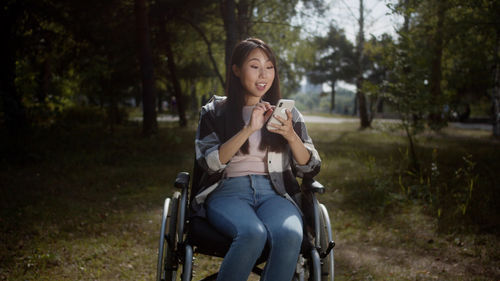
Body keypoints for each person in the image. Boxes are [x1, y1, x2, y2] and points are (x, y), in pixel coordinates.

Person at [193, 38, 321, 281]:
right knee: (252, 233)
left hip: (275, 192)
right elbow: (209, 163)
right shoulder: (214, 112)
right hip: (228, 191)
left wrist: (291, 136)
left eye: (269, 67)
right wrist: (249, 129)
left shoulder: (287, 114)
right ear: (236, 70)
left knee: (291, 234)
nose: (264, 74)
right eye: (255, 66)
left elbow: (311, 167)